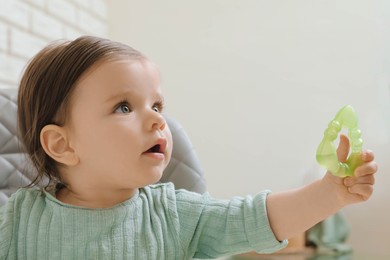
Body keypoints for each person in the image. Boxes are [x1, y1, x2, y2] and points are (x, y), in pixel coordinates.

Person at [0, 36, 378, 259]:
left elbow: (257, 217)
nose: (157, 120)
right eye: (124, 107)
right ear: (61, 145)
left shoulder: (175, 214)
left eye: (158, 106)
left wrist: (329, 193)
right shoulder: (18, 219)